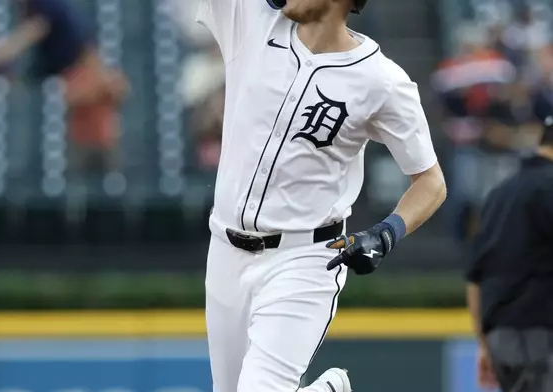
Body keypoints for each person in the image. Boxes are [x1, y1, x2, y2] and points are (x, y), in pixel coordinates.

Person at [195, 0, 447, 392]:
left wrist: (386, 233)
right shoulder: (249, 21)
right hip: (225, 251)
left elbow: (431, 182)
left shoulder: (380, 80)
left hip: (305, 259)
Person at [0, 0, 129, 175]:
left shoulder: (48, 7)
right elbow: (27, 73)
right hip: (81, 141)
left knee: (105, 171)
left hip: (100, 143)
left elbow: (30, 33)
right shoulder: (60, 59)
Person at [466, 116, 553, 392]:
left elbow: (475, 276)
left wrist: (483, 342)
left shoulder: (499, 193)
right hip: (542, 333)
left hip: (500, 339)